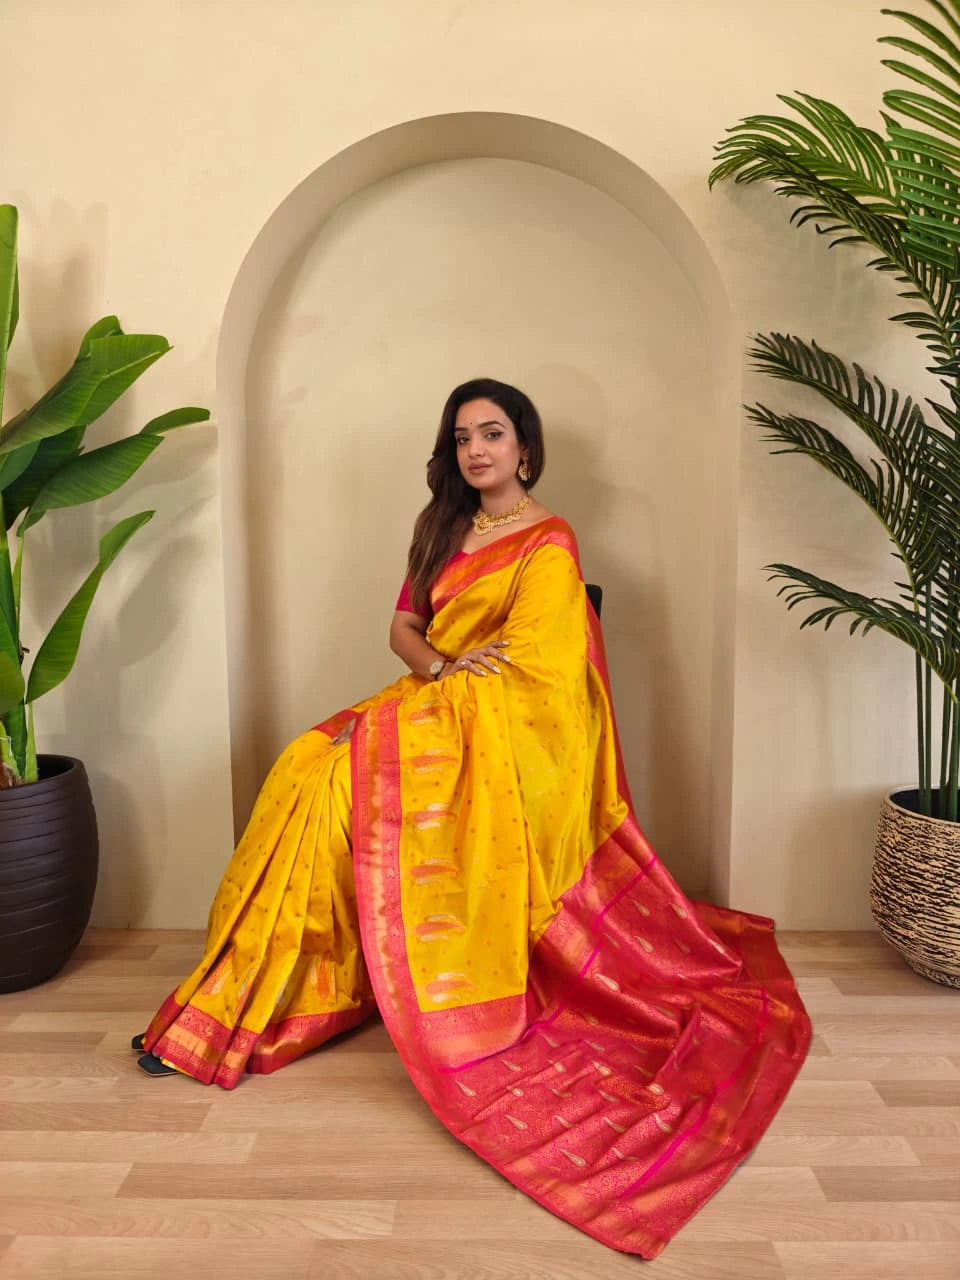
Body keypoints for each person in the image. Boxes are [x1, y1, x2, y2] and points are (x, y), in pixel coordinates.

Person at [135, 377, 810, 1259]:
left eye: (492, 434)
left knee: (337, 785)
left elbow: (544, 672)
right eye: (462, 438)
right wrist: (441, 674)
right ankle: (260, 996)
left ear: (524, 447)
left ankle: (290, 995)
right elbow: (404, 633)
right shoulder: (440, 529)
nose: (476, 450)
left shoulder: (550, 541)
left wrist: (458, 693)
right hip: (433, 702)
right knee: (305, 770)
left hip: (495, 732)